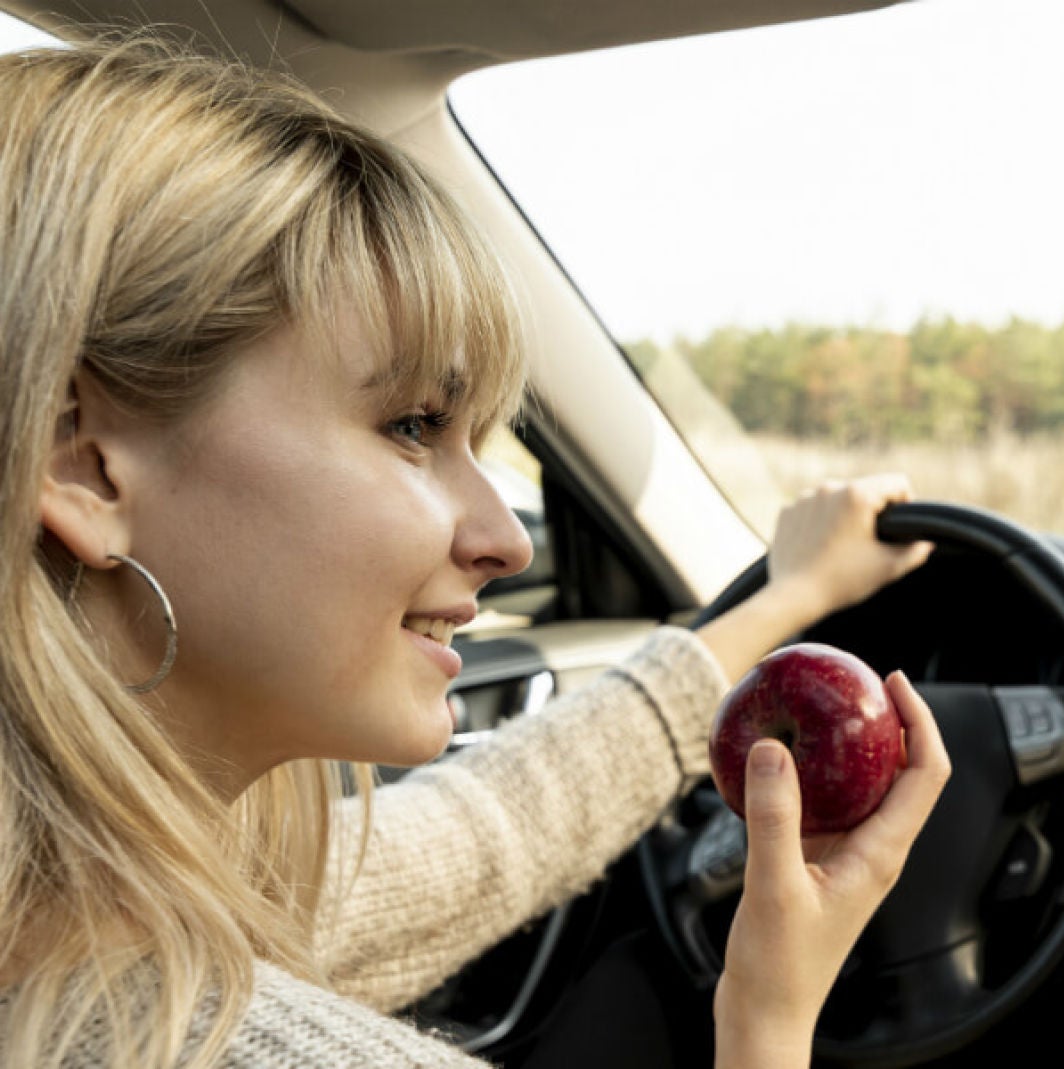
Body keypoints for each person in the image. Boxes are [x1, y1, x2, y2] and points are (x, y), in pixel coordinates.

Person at [0, 34, 949, 1069]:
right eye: (412, 424)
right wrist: (766, 1019)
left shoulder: (104, 903)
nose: (503, 538)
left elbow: (494, 828)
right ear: (83, 464)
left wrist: (788, 597)